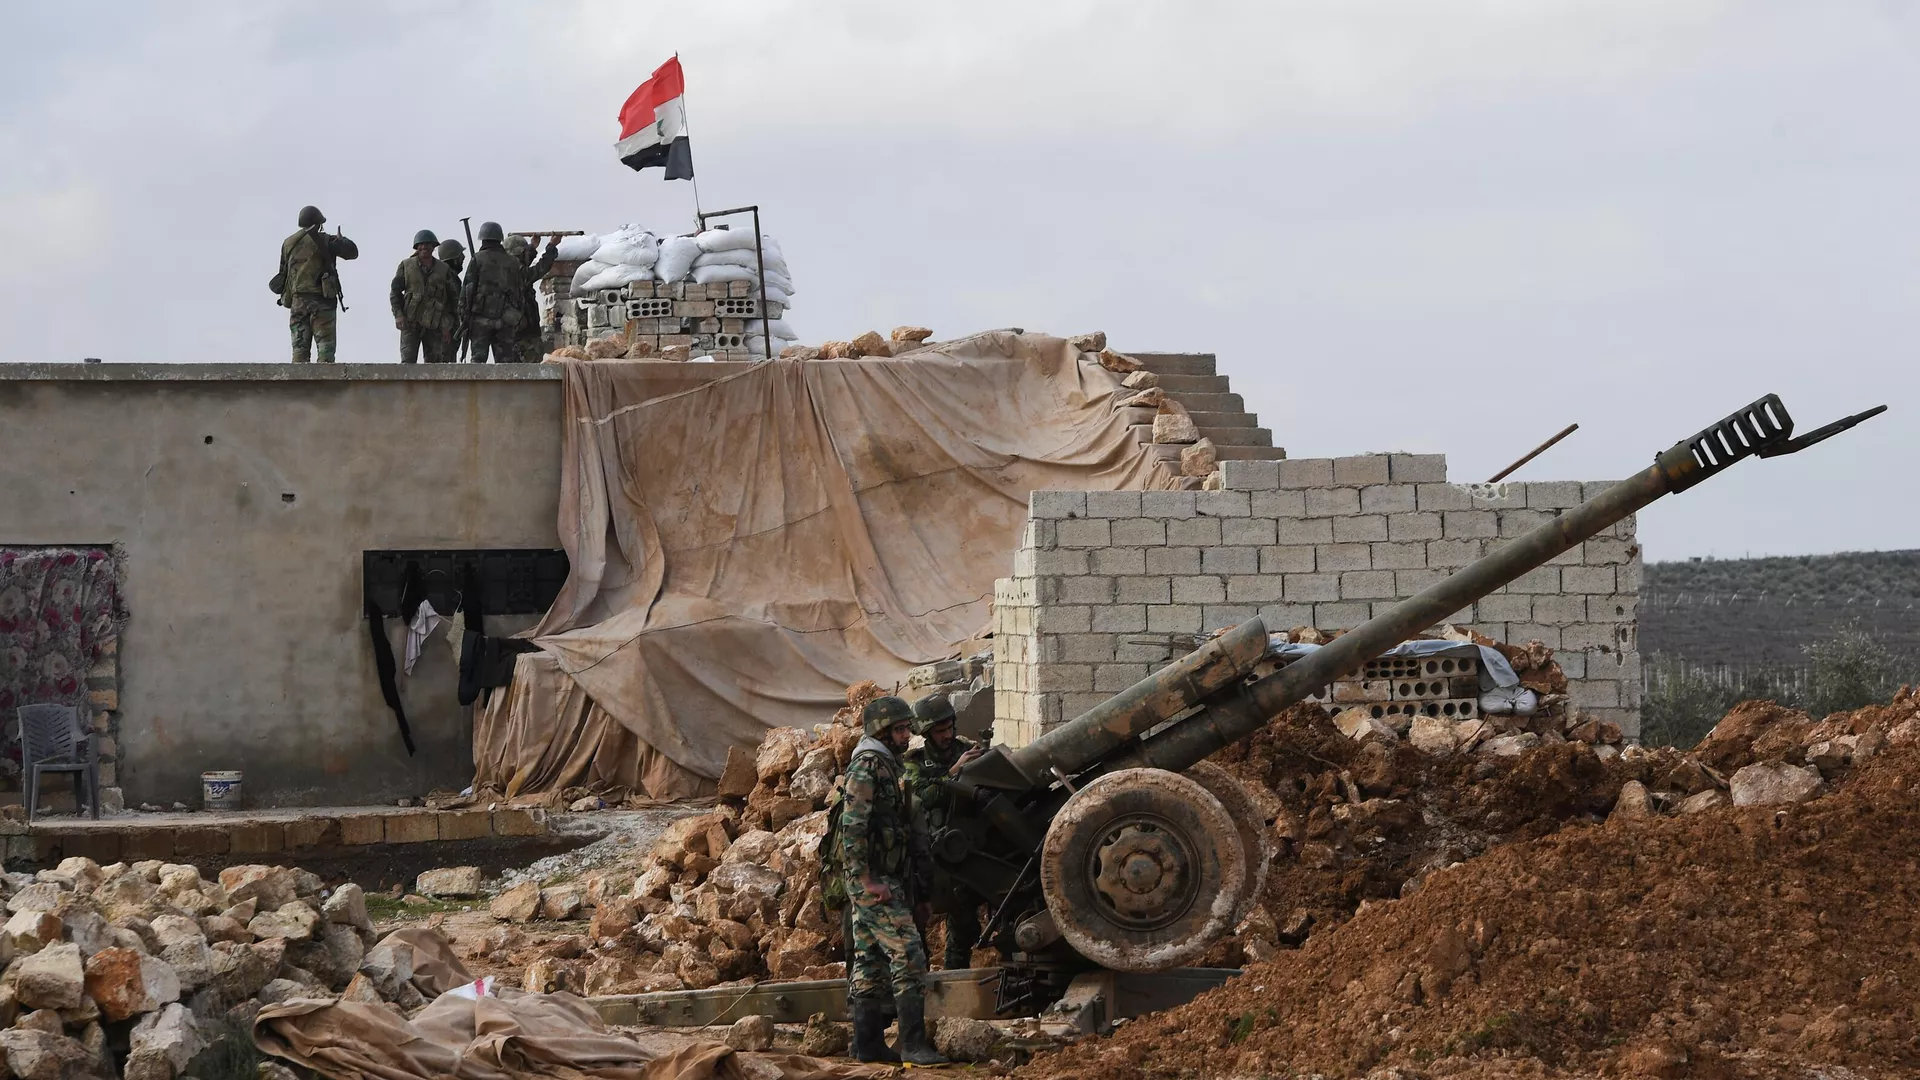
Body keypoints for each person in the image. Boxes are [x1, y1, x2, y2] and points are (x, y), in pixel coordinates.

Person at [832, 696, 947, 1065]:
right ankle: (912, 1044)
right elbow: (853, 827)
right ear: (881, 731)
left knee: (868, 960)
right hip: (873, 881)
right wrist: (865, 879)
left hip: (886, 878)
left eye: (905, 729)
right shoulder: (867, 766)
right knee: (909, 955)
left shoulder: (886, 764)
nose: (906, 735)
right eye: (899, 729)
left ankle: (867, 1044)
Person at [904, 693, 986, 970]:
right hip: (931, 851)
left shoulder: (965, 749)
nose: (947, 735)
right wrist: (953, 773)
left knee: (962, 921)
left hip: (965, 847)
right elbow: (922, 796)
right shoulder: (915, 762)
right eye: (940, 731)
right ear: (926, 733)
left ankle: (955, 974)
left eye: (949, 727)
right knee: (919, 920)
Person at [274, 206, 358, 363]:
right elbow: (353, 253)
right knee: (325, 351)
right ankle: (324, 387)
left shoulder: (288, 243)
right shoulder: (326, 240)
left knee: (299, 352)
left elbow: (283, 273)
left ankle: (298, 386)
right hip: (322, 302)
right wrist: (341, 240)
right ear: (318, 223)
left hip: (297, 302)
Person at [462, 222, 555, 363]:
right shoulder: (511, 263)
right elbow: (528, 272)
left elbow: (467, 291)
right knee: (506, 364)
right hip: (507, 323)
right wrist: (549, 248)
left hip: (480, 320)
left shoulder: (478, 259)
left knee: (478, 362)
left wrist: (464, 317)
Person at [390, 230, 461, 364]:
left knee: (434, 364)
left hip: (434, 325)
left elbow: (451, 301)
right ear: (416, 247)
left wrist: (446, 326)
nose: (424, 248)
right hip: (410, 323)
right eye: (421, 245)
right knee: (407, 362)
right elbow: (395, 292)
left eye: (428, 245)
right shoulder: (406, 265)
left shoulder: (444, 269)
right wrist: (398, 314)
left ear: (434, 247)